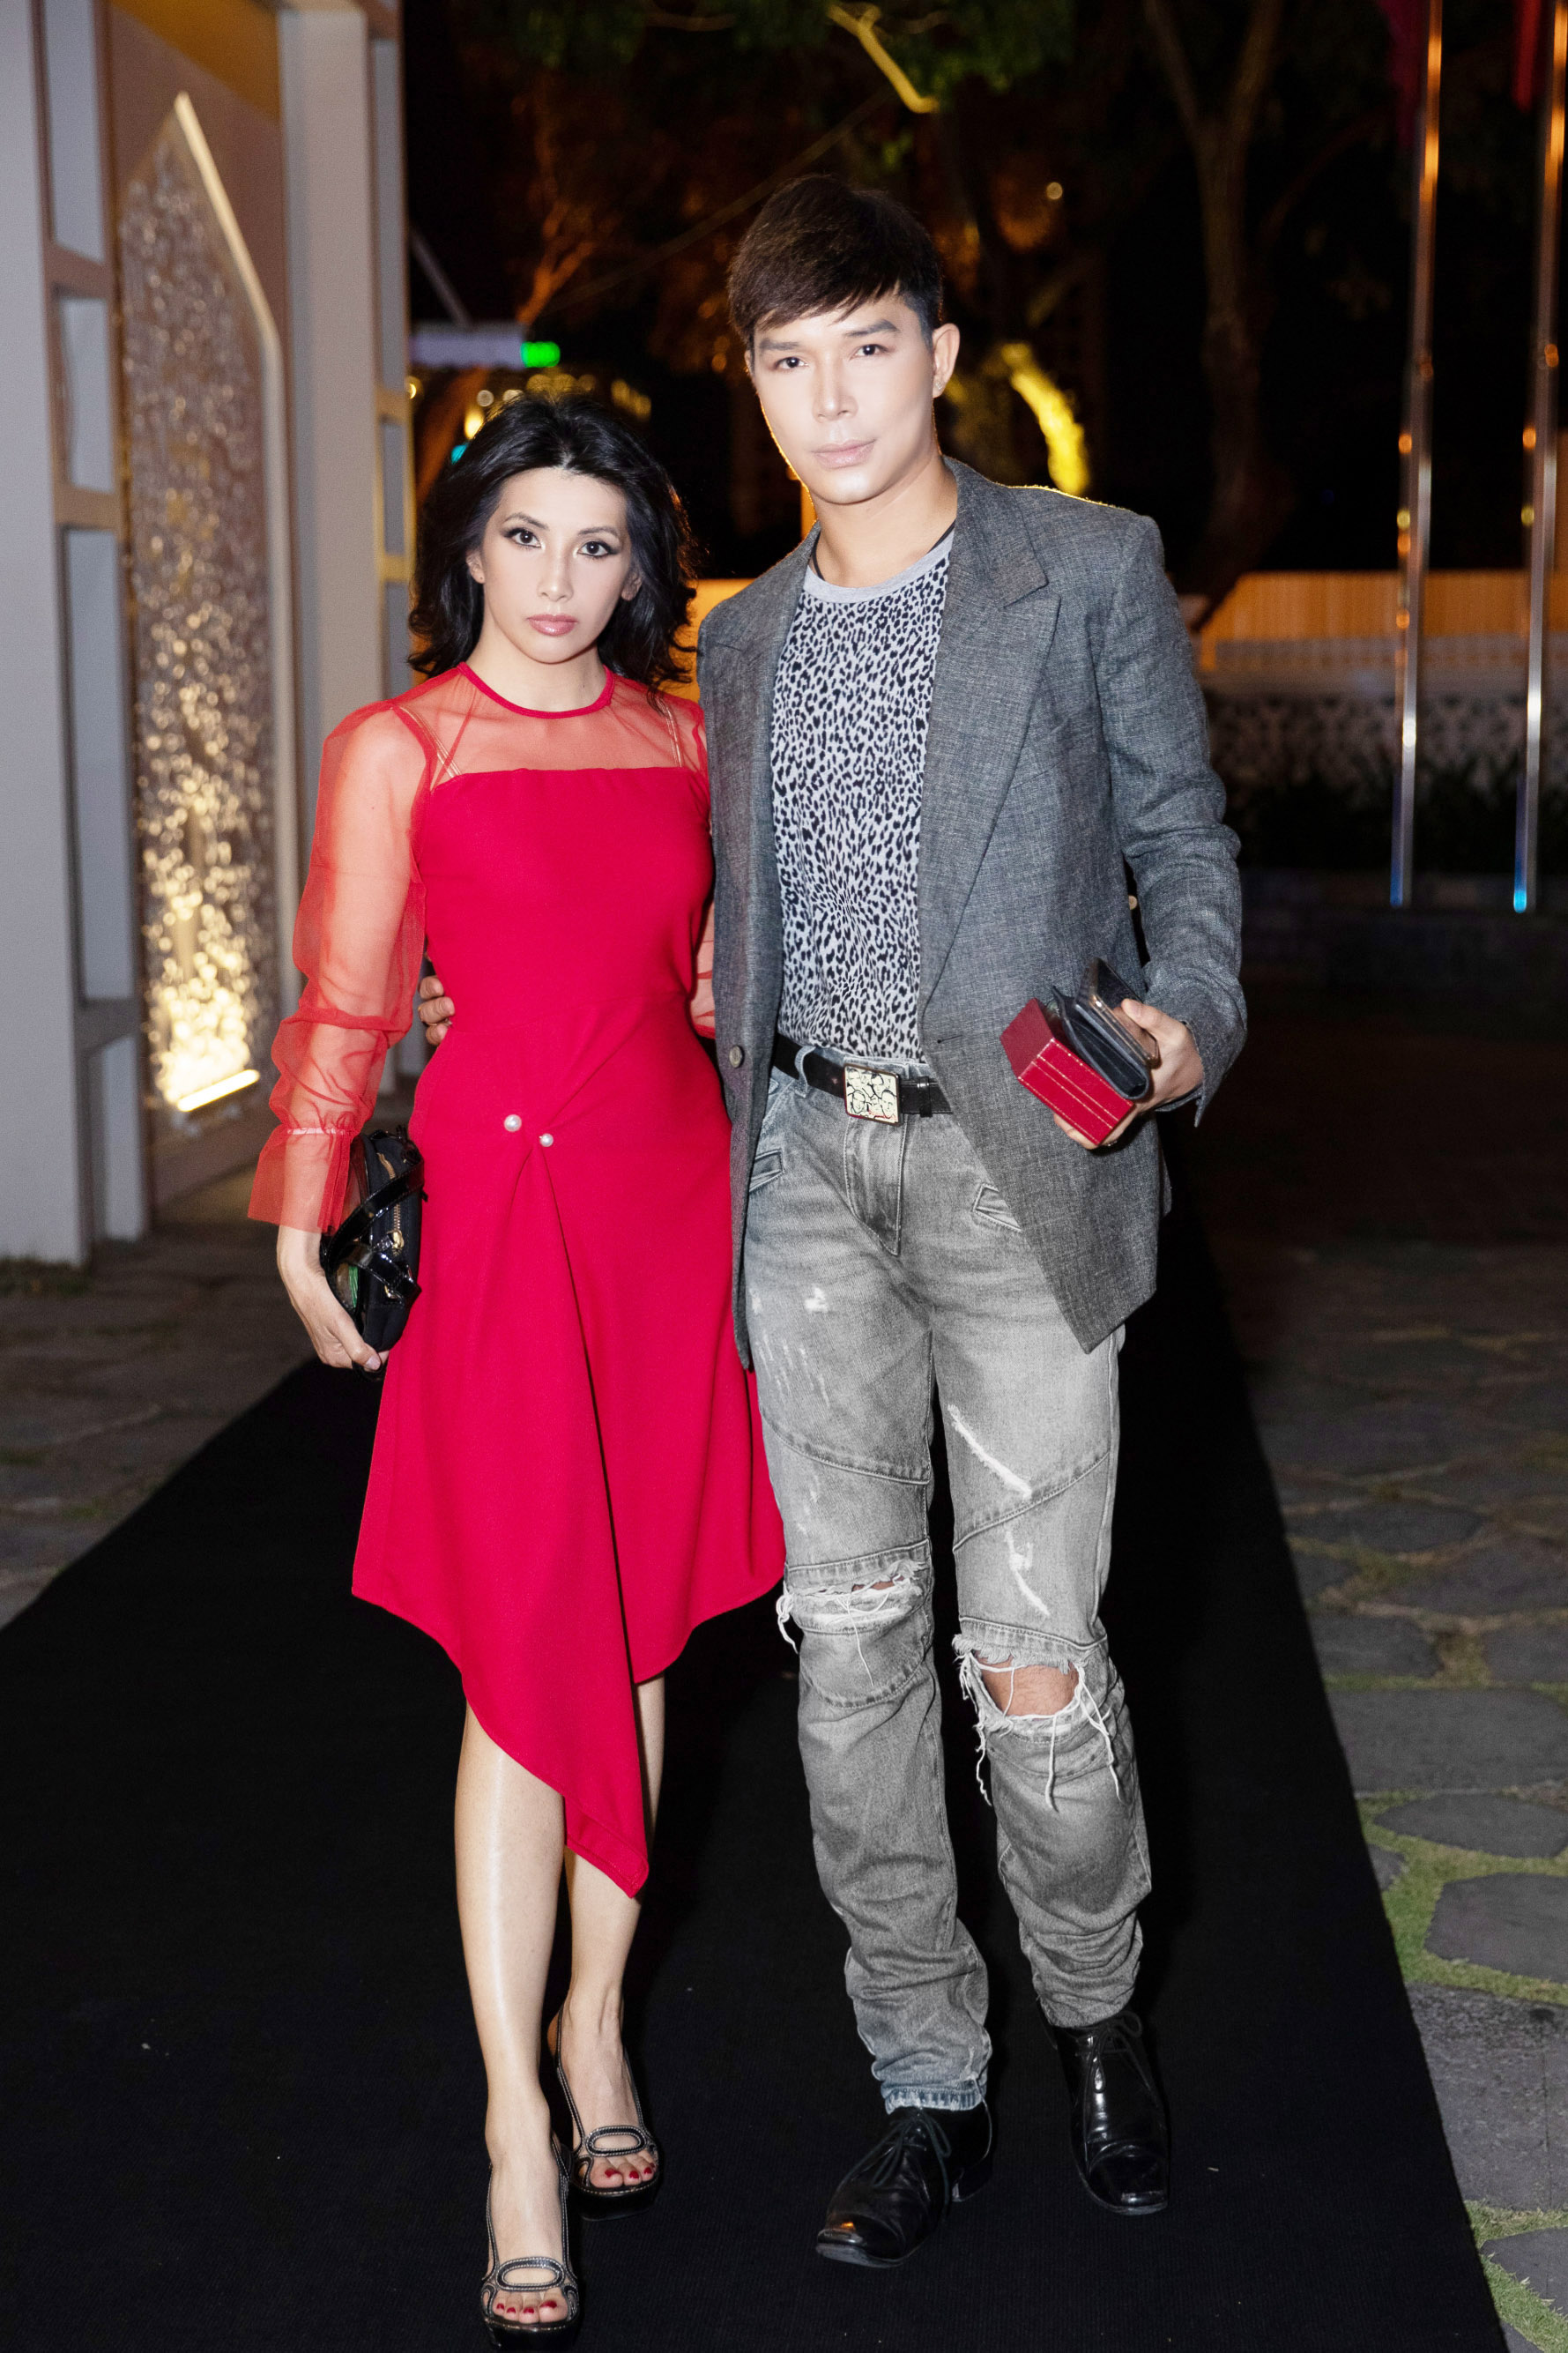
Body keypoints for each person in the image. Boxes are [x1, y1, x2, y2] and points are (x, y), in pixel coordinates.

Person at [421, 175, 1245, 2271]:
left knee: (1033, 1661)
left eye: (866, 346)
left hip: (1023, 1167)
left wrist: (1190, 1016)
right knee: (850, 1653)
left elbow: (1179, 829)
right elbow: (694, 898)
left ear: (937, 354)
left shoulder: (1084, 566)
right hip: (796, 1178)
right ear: (756, 386)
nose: (830, 397)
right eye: (785, 361)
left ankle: (1092, 2014)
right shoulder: (744, 632)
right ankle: (925, 2075)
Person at [254, 396, 783, 2344]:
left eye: (600, 544)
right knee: (517, 1651)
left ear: (644, 566)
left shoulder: (691, 741)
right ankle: (511, 2128)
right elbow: (348, 998)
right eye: (526, 537)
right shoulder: (399, 747)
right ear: (466, 546)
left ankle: (596, 2020)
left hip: (666, 1211)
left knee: (636, 1641)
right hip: (498, 1209)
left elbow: (716, 977)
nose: (561, 581)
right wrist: (303, 1206)